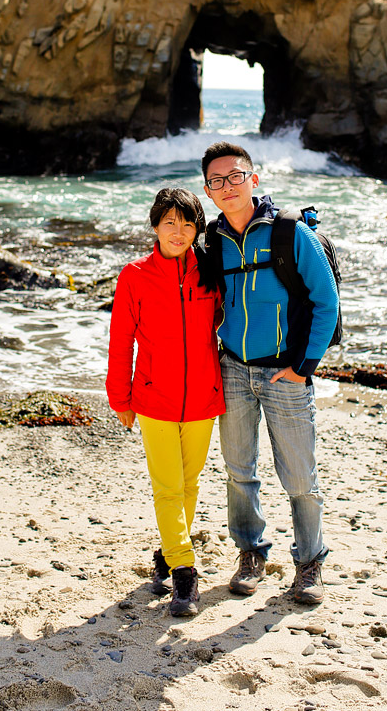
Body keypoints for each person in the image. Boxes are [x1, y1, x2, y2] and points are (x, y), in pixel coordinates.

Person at [202, 140, 338, 605]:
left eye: (235, 176)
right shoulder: (212, 241)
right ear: (208, 191)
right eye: (217, 180)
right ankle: (251, 552)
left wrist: (303, 367)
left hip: (285, 373)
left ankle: (310, 562)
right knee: (239, 471)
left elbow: (326, 301)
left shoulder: (289, 234)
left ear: (253, 180)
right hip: (233, 370)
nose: (228, 185)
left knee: (299, 476)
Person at [106, 187, 224, 617]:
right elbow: (121, 343)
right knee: (168, 487)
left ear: (198, 229)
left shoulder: (210, 271)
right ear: (155, 225)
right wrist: (120, 397)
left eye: (188, 223)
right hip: (153, 398)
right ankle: (185, 575)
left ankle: (167, 554)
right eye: (170, 222)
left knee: (189, 484)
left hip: (204, 397)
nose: (179, 231)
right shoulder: (134, 275)